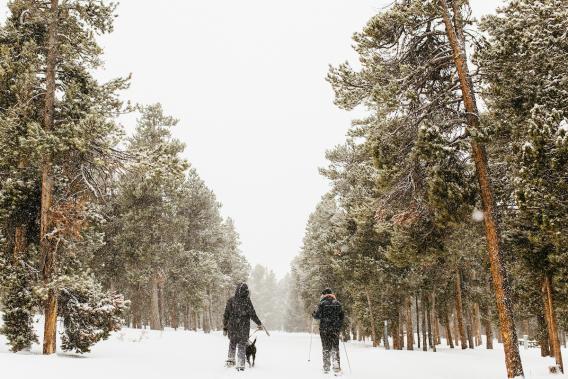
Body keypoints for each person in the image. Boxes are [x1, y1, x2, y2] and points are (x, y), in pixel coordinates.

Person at [223, 282, 263, 371]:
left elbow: (226, 315)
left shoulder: (231, 300)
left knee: (232, 342)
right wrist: (259, 323)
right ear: (246, 291)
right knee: (241, 344)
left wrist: (225, 327)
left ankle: (230, 360)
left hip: (232, 327)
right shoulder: (247, 301)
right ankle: (241, 364)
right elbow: (253, 314)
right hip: (243, 328)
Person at [313, 288, 344, 374]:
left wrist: (314, 314)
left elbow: (317, 316)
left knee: (326, 347)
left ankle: (326, 366)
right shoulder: (338, 303)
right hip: (335, 329)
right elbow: (342, 316)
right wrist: (339, 325)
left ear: (324, 295)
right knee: (335, 346)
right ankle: (336, 365)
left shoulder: (322, 304)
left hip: (324, 329)